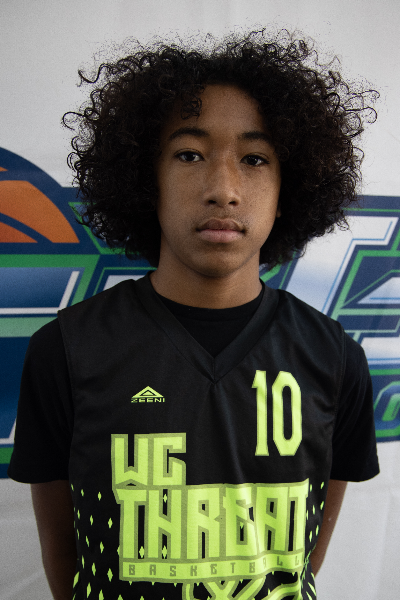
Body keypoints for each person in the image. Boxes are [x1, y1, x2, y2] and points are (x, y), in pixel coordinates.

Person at [8, 29, 379, 600]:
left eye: (254, 159)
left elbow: (304, 554)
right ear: (146, 179)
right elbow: (63, 550)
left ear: (288, 189)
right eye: (189, 155)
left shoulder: (334, 358)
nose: (223, 189)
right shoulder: (66, 350)